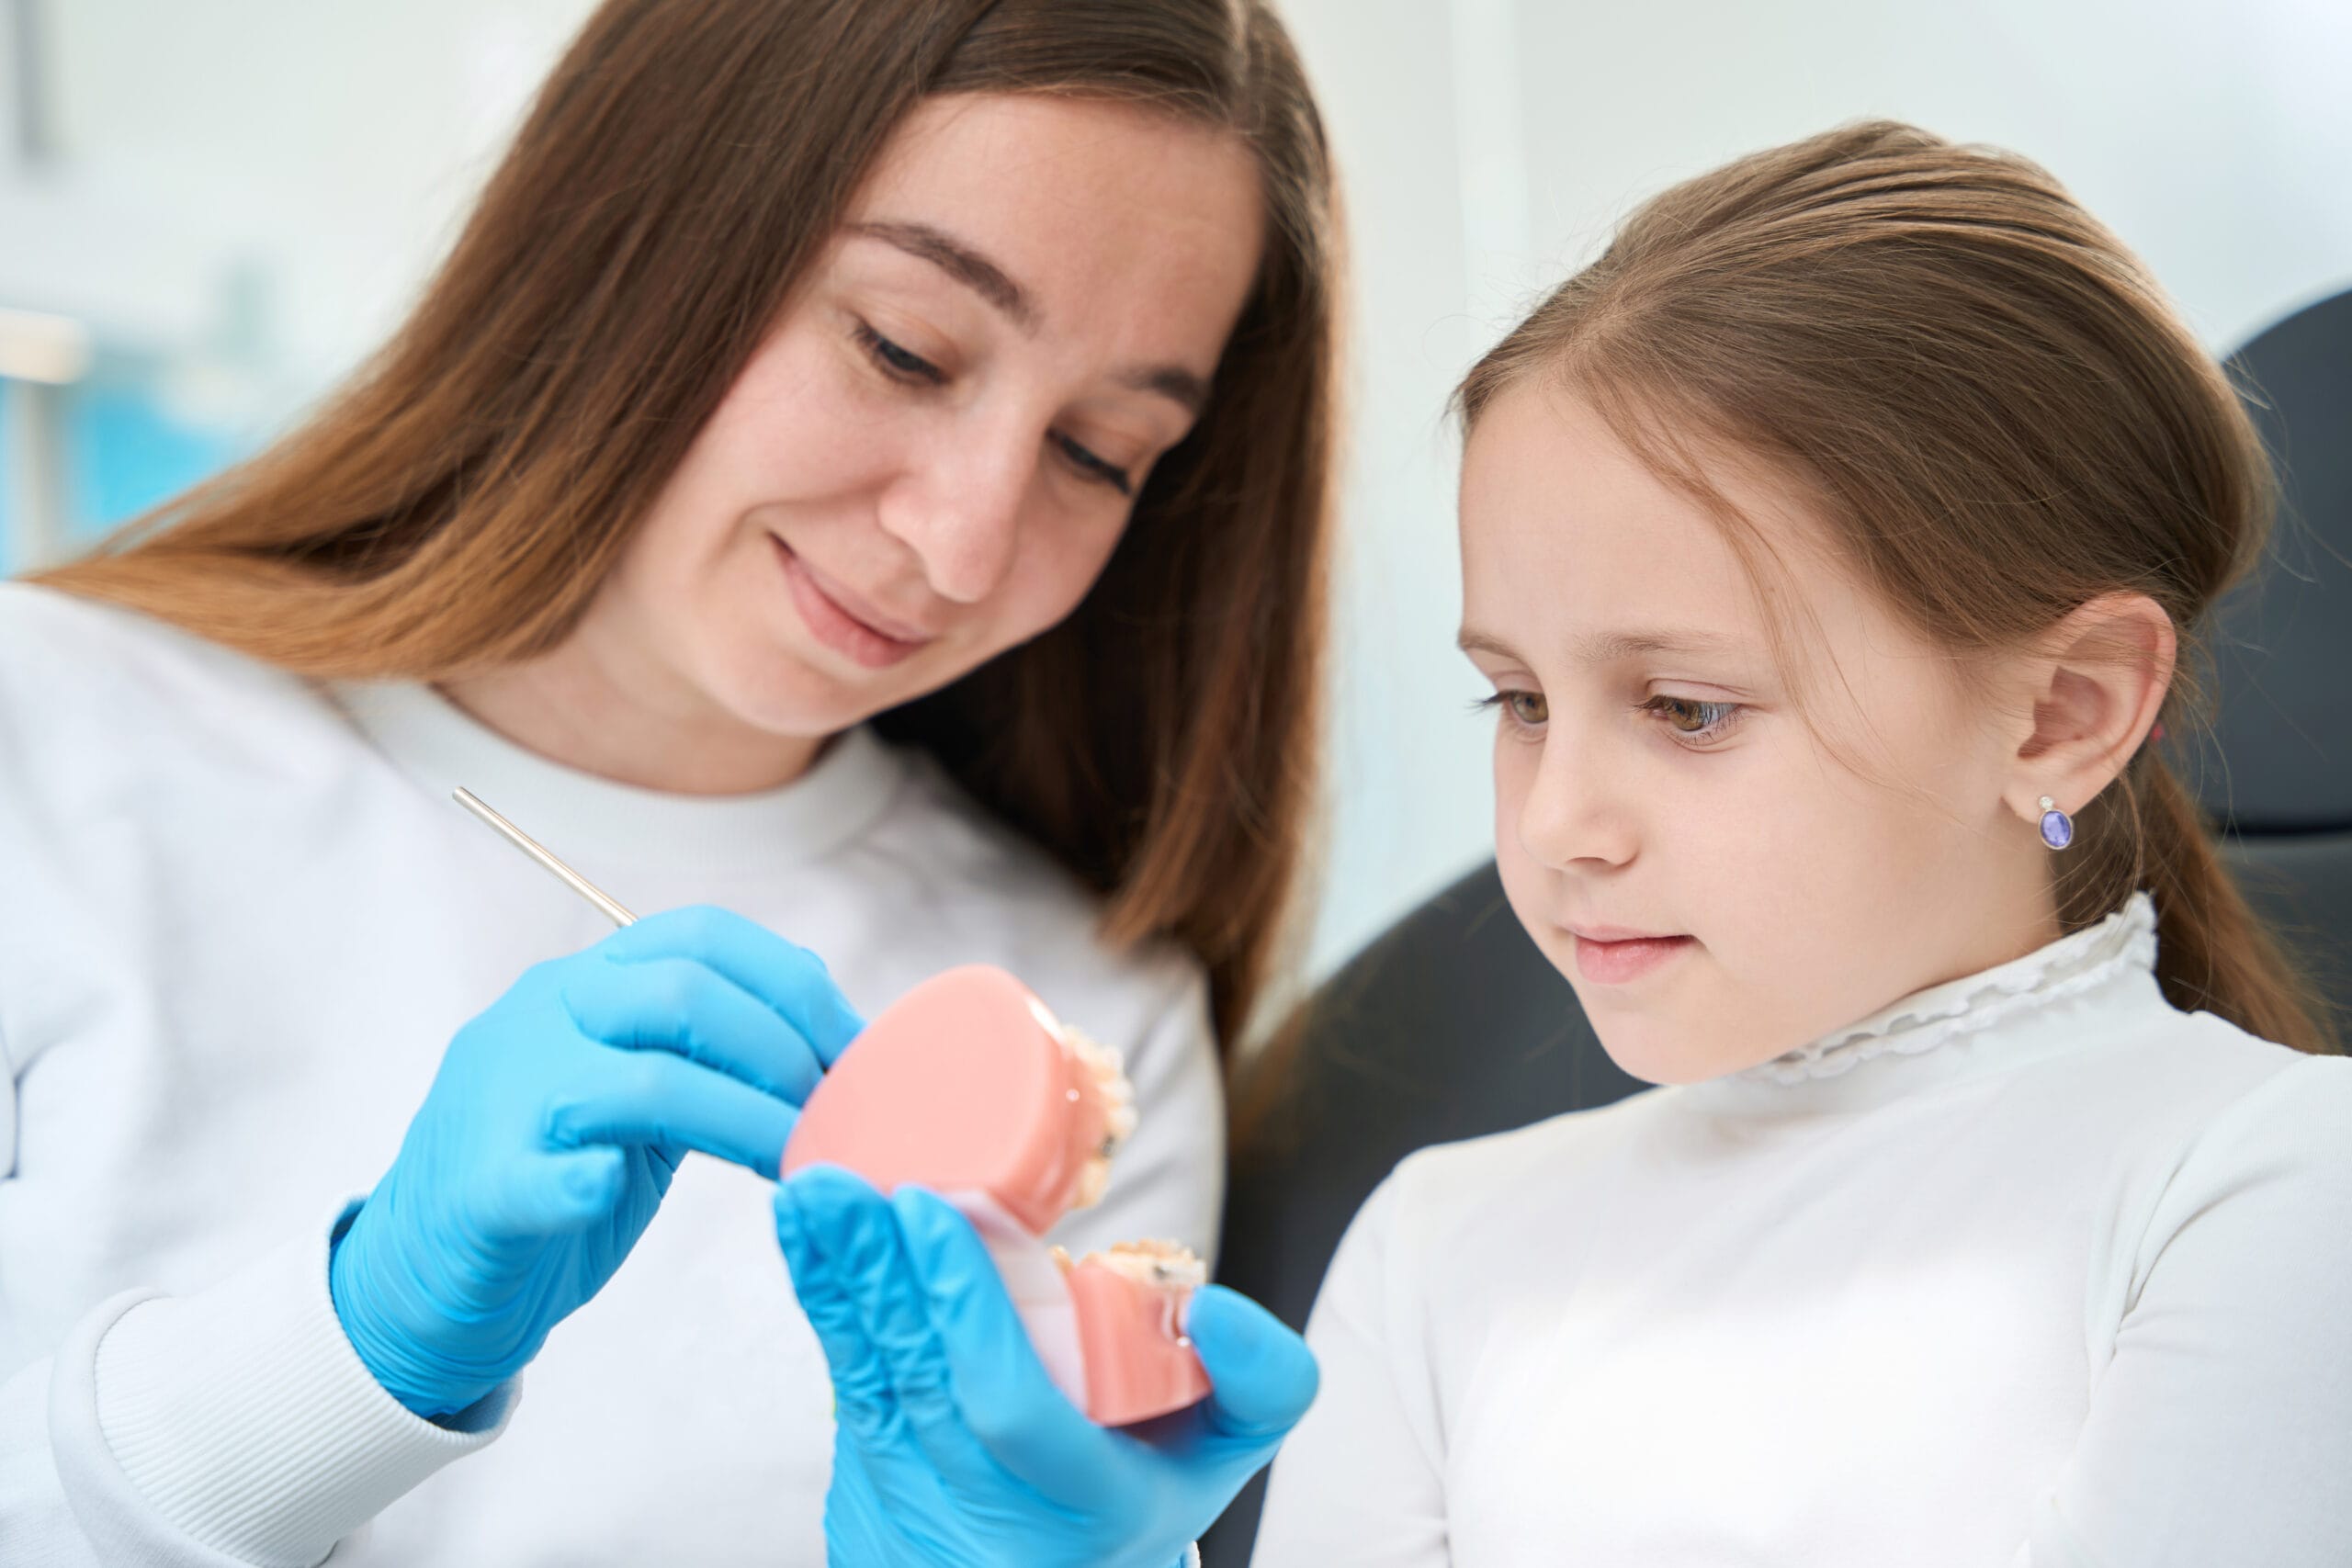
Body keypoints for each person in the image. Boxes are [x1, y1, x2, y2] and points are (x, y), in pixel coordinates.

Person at [773, 122, 2352, 1567]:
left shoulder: (2268, 1183)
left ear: (2062, 712)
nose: (1557, 821)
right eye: (1518, 701)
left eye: (1684, 708)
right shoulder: (1443, 1245)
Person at [0, 1, 1337, 1562]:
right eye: (903, 347)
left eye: (1100, 451)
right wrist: (347, 1353)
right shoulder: (52, 743)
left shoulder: (1079, 1005)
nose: (961, 542)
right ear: (634, 231)